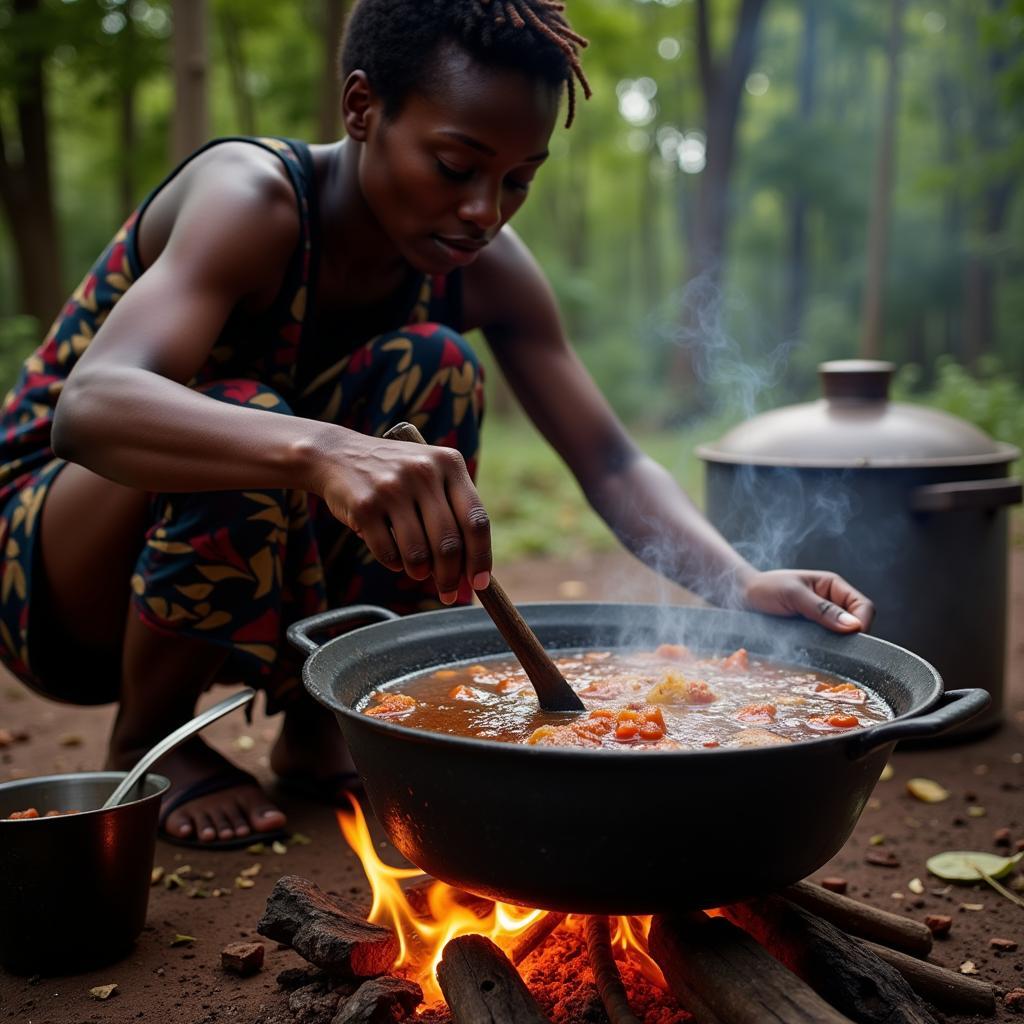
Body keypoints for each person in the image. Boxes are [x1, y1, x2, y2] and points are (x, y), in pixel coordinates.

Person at [0, 0, 874, 848]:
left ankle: (320, 720)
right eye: (457, 167)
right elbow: (93, 407)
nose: (484, 211)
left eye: (518, 180)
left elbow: (607, 458)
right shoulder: (254, 198)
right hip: (52, 576)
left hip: (253, 574)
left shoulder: (480, 264)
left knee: (438, 368)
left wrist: (737, 582)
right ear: (361, 108)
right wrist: (323, 451)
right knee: (249, 419)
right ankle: (151, 739)